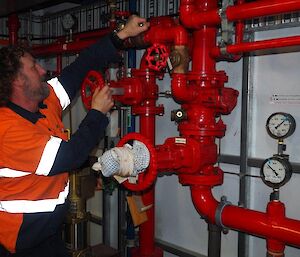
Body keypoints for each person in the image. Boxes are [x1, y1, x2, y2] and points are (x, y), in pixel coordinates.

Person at [0, 15, 149, 257]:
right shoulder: (7, 129)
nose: (43, 69)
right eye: (33, 67)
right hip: (20, 243)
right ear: (17, 81)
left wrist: (121, 35)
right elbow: (71, 157)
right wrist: (97, 113)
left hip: (47, 234)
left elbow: (80, 68)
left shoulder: (44, 100)